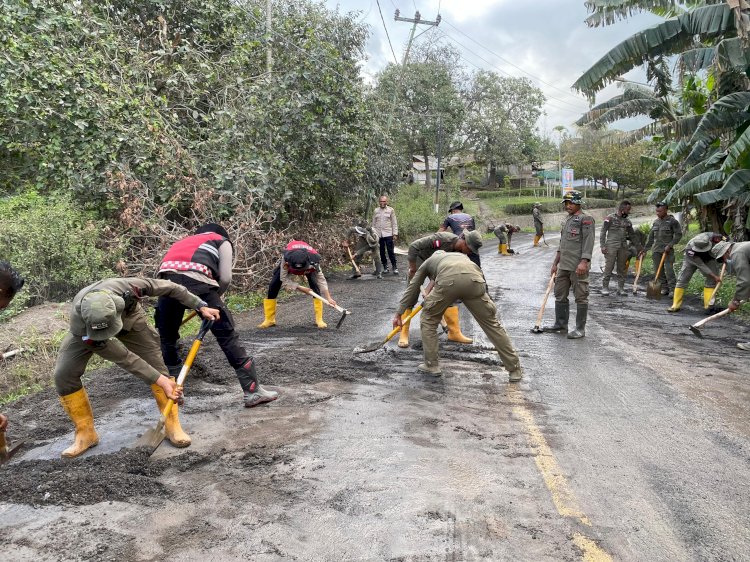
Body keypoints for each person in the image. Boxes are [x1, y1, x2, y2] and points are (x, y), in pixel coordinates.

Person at [53, 278, 221, 458]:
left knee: (156, 364)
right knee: (64, 375)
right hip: (89, 333)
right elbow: (124, 357)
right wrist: (159, 380)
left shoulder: (131, 287)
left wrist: (199, 305)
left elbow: (171, 288)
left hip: (131, 320)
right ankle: (86, 434)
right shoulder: (80, 323)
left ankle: (171, 424)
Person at [156, 224, 279, 408]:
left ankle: (173, 392)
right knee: (227, 335)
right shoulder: (221, 241)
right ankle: (253, 392)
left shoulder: (182, 241)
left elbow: (165, 272)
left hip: (165, 283)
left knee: (167, 336)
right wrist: (214, 299)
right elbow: (225, 278)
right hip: (199, 282)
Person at [392, 251, 523, 381]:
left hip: (448, 283)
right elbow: (475, 273)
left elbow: (412, 287)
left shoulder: (429, 262)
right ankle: (514, 368)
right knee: (492, 324)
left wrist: (399, 313)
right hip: (474, 281)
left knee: (428, 319)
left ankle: (431, 365)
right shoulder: (460, 258)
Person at [400, 230, 482, 348]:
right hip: (421, 259)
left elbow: (441, 275)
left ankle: (454, 333)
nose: (469, 253)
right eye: (470, 250)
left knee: (449, 291)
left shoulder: (457, 253)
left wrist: (429, 289)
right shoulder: (443, 239)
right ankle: (404, 333)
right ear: (465, 243)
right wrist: (413, 268)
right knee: (412, 295)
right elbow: (414, 246)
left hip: (435, 265)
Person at [543, 190, 595, 339]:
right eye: (566, 203)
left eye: (571, 203)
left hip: (578, 266)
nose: (568, 206)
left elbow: (588, 242)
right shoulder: (567, 220)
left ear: (578, 203)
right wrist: (555, 263)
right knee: (559, 294)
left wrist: (584, 262)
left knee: (581, 296)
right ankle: (560, 325)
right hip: (564, 265)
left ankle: (580, 329)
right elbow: (562, 243)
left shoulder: (586, 219)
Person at [258, 239, 337, 329]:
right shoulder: (287, 258)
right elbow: (283, 278)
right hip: (291, 263)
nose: (299, 272)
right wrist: (299, 287)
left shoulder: (314, 259)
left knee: (315, 285)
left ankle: (319, 319)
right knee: (274, 285)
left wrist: (329, 298)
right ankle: (269, 320)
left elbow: (321, 280)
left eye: (301, 269)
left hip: (309, 267)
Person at [666, 232, 724, 313]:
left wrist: (723, 257)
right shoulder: (690, 250)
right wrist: (715, 276)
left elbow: (725, 246)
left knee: (711, 281)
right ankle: (675, 305)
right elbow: (701, 265)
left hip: (709, 258)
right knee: (682, 279)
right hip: (692, 260)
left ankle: (709, 306)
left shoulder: (716, 237)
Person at [709, 240, 750, 350]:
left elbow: (744, 281)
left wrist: (735, 300)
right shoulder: (742, 246)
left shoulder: (737, 253)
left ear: (726, 252)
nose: (725, 261)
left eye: (722, 258)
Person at [640, 202, 682, 296]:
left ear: (666, 210)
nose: (658, 213)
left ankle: (672, 289)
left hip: (667, 251)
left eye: (660, 211)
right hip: (656, 250)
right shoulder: (656, 222)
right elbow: (651, 237)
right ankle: (664, 288)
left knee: (669, 270)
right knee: (658, 271)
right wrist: (645, 249)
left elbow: (678, 234)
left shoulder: (672, 221)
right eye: (657, 211)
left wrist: (670, 245)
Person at [600, 201, 636, 296]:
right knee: (609, 266)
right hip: (611, 246)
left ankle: (620, 288)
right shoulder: (610, 218)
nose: (629, 212)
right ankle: (605, 287)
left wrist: (640, 248)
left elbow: (632, 235)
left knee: (622, 268)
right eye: (628, 210)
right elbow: (603, 232)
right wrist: (602, 245)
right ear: (622, 209)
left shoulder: (627, 221)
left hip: (623, 247)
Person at [440, 201, 480, 267]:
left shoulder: (450, 217)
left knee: (454, 266)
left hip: (458, 243)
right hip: (471, 242)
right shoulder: (470, 217)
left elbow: (441, 231)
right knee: (476, 267)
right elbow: (474, 232)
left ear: (453, 210)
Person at [372, 195, 399, 275]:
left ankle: (394, 267)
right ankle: (385, 267)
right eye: (381, 201)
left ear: (387, 202)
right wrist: (373, 233)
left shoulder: (391, 210)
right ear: (379, 202)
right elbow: (373, 223)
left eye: (384, 201)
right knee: (381, 251)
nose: (382, 203)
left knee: (390, 251)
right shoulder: (376, 210)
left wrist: (395, 233)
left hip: (388, 234)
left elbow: (394, 222)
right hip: (378, 235)